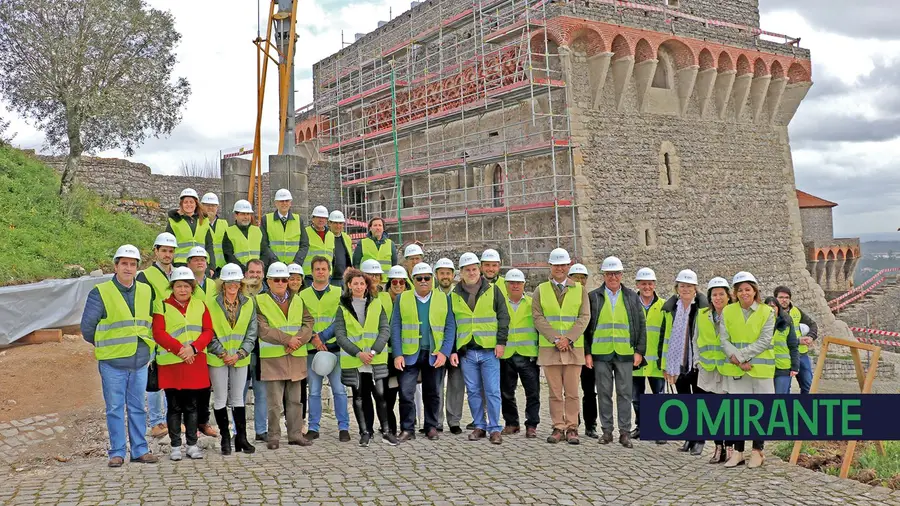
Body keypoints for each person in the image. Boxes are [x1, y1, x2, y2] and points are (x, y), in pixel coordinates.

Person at [80, 245, 159, 467]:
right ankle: (116, 452)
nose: (128, 268)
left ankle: (140, 450)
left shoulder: (145, 290)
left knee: (137, 408)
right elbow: (87, 327)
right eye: (124, 263)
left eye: (132, 264)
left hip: (140, 360)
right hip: (113, 362)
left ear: (137, 268)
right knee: (114, 408)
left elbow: (149, 321)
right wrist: (105, 345)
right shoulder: (101, 292)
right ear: (115, 266)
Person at [152, 266, 214, 461]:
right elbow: (159, 333)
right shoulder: (161, 305)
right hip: (172, 363)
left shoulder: (201, 305)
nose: (183, 290)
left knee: (192, 406)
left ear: (192, 287)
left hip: (194, 362)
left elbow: (208, 331)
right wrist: (181, 350)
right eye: (179, 286)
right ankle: (176, 446)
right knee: (174, 406)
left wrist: (193, 349)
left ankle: (192, 445)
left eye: (187, 286)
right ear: (173, 287)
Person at [584, 256, 646, 449]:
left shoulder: (631, 297)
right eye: (609, 273)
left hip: (625, 353)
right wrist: (587, 353)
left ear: (621, 275)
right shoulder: (593, 296)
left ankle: (625, 432)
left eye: (616, 273)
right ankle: (607, 431)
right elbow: (586, 327)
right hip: (600, 353)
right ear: (604, 275)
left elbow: (640, 325)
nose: (613, 277)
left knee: (625, 393)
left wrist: (639, 351)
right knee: (603, 393)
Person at [392, 263, 456, 442]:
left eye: (427, 278)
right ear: (412, 280)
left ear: (432, 279)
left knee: (433, 392)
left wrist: (444, 352)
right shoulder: (402, 298)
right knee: (405, 393)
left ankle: (431, 426)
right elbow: (395, 326)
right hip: (409, 353)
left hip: (433, 353)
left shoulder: (443, 298)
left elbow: (450, 326)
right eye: (419, 278)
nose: (423, 281)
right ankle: (407, 429)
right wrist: (397, 353)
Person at [451, 252, 509, 444]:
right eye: (467, 270)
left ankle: (494, 428)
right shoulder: (454, 295)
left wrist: (501, 342)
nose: (472, 272)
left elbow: (503, 317)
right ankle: (479, 426)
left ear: (480, 270)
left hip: (489, 350)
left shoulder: (493, 291)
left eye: (474, 269)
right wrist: (453, 350)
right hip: (467, 351)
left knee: (492, 390)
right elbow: (451, 325)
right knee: (473, 391)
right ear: (461, 273)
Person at [255, 262, 315, 449]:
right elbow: (262, 329)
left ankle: (295, 434)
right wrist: (288, 340)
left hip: (295, 356)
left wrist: (298, 340)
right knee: (274, 402)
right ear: (268, 281)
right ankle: (273, 436)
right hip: (273, 358)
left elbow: (308, 322)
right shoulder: (259, 301)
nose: (281, 283)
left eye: (284, 280)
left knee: (295, 400)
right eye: (277, 280)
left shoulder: (298, 299)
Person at [533, 248, 589, 444]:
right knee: (555, 392)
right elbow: (538, 317)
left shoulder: (580, 290)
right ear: (551, 266)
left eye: (563, 265)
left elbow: (584, 317)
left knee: (573, 392)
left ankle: (572, 427)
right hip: (550, 348)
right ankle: (558, 427)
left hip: (573, 348)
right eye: (556, 265)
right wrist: (555, 339)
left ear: (568, 266)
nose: (559, 268)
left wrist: (569, 339)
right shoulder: (541, 290)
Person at [721, 271, 775, 469]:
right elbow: (724, 339)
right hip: (738, 369)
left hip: (760, 369)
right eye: (740, 290)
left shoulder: (767, 312)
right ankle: (738, 452)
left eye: (748, 289)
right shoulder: (728, 311)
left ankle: (757, 451)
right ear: (735, 292)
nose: (744, 293)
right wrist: (737, 360)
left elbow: (764, 340)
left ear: (755, 291)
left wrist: (741, 356)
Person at [335, 268, 393, 447]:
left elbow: (385, 330)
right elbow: (340, 335)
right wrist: (358, 353)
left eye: (362, 283)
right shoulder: (342, 308)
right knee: (359, 397)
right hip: (355, 359)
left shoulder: (377, 304)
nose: (359, 286)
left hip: (375, 358)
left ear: (366, 285)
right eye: (355, 283)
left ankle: (386, 431)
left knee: (381, 395)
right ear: (349, 286)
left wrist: (374, 351)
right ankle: (365, 432)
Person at [298, 256, 351, 442]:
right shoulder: (303, 295)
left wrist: (324, 339)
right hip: (312, 349)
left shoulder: (339, 293)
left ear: (329, 271)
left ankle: (343, 427)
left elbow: (342, 320)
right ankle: (313, 427)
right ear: (312, 273)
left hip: (334, 348)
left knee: (338, 389)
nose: (320, 272)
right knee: (313, 391)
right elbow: (301, 321)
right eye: (317, 269)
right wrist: (314, 338)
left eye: (324, 269)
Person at [207, 263, 258, 455]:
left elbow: (252, 332)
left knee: (238, 398)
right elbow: (208, 332)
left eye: (236, 282)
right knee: (220, 398)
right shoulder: (211, 303)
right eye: (229, 282)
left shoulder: (249, 303)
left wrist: (239, 354)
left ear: (241, 283)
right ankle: (225, 439)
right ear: (223, 283)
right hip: (218, 357)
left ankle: (241, 439)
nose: (232, 286)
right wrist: (223, 353)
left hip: (240, 358)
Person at [660, 269, 708, 456]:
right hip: (677, 361)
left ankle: (699, 439)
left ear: (695, 288)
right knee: (684, 400)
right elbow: (665, 335)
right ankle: (689, 436)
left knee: (697, 401)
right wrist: (665, 363)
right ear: (677, 288)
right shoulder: (672, 308)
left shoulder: (702, 307)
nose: (685, 289)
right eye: (682, 286)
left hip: (695, 360)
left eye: (689, 286)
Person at [136, 232, 177, 439]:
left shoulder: (179, 273)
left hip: (176, 333)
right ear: (156, 252)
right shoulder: (145, 276)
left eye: (170, 251)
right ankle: (156, 422)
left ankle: (173, 419)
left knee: (173, 377)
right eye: (164, 251)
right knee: (154, 379)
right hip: (154, 332)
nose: (167, 255)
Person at [499, 269, 540, 438]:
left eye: (518, 283)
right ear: (506, 285)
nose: (515, 285)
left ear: (524, 284)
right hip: (507, 354)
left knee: (533, 392)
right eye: (511, 283)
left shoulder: (532, 304)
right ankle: (511, 423)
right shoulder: (500, 305)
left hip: (527, 354)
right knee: (506, 392)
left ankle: (532, 425)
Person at [185, 245, 218, 438]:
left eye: (203, 259)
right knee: (190, 386)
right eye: (196, 259)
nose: (200, 262)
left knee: (206, 385)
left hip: (210, 340)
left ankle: (203, 422)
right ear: (189, 263)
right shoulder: (185, 285)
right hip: (192, 340)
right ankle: (188, 423)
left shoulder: (214, 285)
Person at [697, 277, 731, 464]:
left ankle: (730, 446)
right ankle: (718, 447)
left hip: (728, 370)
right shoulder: (702, 315)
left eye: (721, 294)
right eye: (714, 294)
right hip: (708, 370)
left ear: (728, 296)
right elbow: (696, 339)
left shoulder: (735, 314)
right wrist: (697, 361)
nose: (717, 298)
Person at [631, 267, 665, 443]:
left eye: (650, 283)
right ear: (637, 284)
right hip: (636, 359)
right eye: (643, 283)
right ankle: (641, 426)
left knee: (658, 397)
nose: (646, 287)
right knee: (636, 398)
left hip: (657, 361)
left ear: (655, 285)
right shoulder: (630, 304)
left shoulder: (664, 306)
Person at [433, 257, 464, 434]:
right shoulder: (432, 295)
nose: (445, 276)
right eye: (442, 273)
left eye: (448, 273)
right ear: (437, 275)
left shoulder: (459, 295)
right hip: (438, 349)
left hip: (458, 348)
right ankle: (437, 421)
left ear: (453, 275)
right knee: (436, 386)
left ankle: (454, 421)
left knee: (456, 386)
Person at [568, 262, 597, 438]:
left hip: (586, 352)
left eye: (582, 278)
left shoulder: (591, 298)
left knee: (589, 391)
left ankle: (590, 424)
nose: (579, 280)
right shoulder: (566, 297)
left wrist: (589, 352)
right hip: (571, 349)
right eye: (576, 277)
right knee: (571, 391)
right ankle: (573, 422)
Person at [241, 258, 269, 442]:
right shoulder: (238, 293)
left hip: (262, 351)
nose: (255, 276)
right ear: (246, 274)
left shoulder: (268, 294)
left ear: (263, 275)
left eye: (258, 272)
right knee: (239, 394)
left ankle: (261, 431)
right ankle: (239, 430)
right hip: (242, 350)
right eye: (252, 272)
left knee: (262, 393)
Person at [773, 286, 818, 394]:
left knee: (808, 386)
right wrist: (798, 341)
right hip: (784, 357)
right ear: (775, 299)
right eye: (781, 297)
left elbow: (813, 325)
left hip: (801, 354)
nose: (784, 300)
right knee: (784, 389)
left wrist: (811, 337)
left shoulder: (796, 311)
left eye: (787, 297)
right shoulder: (772, 314)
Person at [382, 264, 409, 436]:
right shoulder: (382, 300)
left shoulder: (410, 301)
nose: (398, 285)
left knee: (406, 393)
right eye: (394, 282)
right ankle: (390, 426)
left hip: (406, 353)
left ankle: (406, 426)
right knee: (389, 393)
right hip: (387, 354)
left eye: (401, 282)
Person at [166, 188, 215, 271]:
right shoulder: (173, 221)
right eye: (186, 202)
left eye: (191, 202)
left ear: (196, 204)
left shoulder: (204, 221)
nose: (189, 205)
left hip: (201, 263)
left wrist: (212, 267)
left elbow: (209, 245)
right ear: (181, 204)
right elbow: (168, 245)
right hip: (180, 264)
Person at [765, 296, 800, 394]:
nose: (770, 309)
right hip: (765, 368)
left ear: (778, 308)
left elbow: (793, 347)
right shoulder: (759, 325)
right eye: (767, 307)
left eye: (773, 306)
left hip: (783, 368)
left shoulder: (787, 324)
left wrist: (794, 367)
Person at [261, 189, 304, 266]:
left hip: (293, 266)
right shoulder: (266, 219)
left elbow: (304, 244)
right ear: (276, 203)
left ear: (290, 203)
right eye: (281, 201)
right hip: (273, 265)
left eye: (287, 201)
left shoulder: (298, 219)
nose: (284, 203)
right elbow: (263, 244)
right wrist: (274, 261)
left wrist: (296, 261)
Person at [223, 200, 265, 273]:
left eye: (248, 214)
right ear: (236, 215)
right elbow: (228, 255)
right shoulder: (229, 232)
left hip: (257, 272)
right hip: (238, 272)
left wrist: (259, 268)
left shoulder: (257, 231)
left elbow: (264, 252)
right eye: (243, 214)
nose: (246, 217)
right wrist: (243, 269)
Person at [352, 216, 397, 282]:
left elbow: (394, 264)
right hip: (368, 282)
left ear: (383, 228)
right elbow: (356, 263)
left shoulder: (390, 244)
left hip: (385, 282)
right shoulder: (362, 243)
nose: (378, 228)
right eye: (375, 225)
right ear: (370, 228)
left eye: (380, 225)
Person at [299, 205, 334, 285]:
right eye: (318, 217)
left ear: (327, 220)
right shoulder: (305, 232)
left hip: (327, 275)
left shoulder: (331, 235)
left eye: (323, 217)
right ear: (313, 219)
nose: (321, 220)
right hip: (309, 275)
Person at [200, 193, 227, 273]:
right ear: (202, 206)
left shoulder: (224, 223)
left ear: (217, 207)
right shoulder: (198, 224)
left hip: (222, 267)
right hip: (206, 266)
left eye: (213, 205)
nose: (210, 208)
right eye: (207, 205)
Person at [328, 210, 353, 286]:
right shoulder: (326, 237)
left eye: (340, 223)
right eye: (335, 223)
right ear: (329, 223)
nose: (338, 226)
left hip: (344, 279)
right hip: (330, 278)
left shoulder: (346, 238)